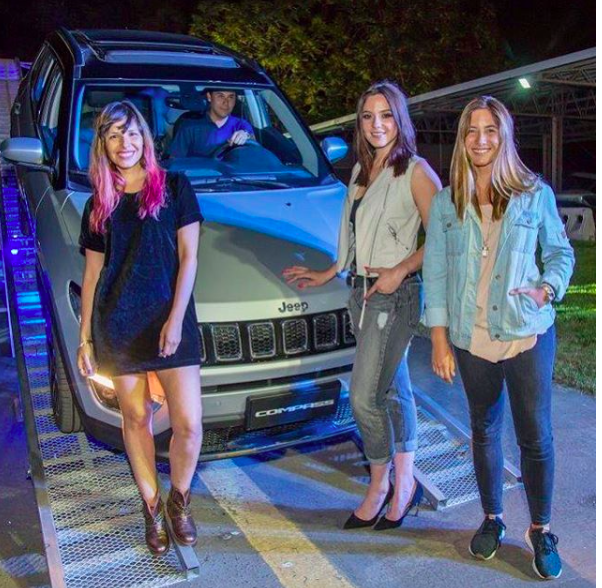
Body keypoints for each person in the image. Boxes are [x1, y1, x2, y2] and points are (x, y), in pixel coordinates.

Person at [423, 96, 574, 579]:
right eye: (472, 130)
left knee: (535, 435)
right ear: (462, 139)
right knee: (484, 430)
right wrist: (440, 339)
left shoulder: (534, 194)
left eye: (490, 130)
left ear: (504, 136)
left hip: (526, 332)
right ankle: (492, 518)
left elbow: (561, 254)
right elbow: (436, 272)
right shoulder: (447, 202)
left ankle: (541, 529)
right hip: (472, 338)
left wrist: (547, 288)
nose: (481, 139)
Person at [282, 81, 441, 530]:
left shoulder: (416, 171)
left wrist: (400, 269)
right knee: (395, 389)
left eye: (386, 115)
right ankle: (405, 483)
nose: (377, 124)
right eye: (368, 116)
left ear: (400, 119)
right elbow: (353, 232)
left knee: (364, 397)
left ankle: (379, 483)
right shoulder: (361, 170)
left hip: (395, 295)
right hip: (362, 293)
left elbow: (444, 236)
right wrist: (331, 271)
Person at [77, 101, 204, 555]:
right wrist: (85, 338)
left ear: (145, 137)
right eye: (113, 135)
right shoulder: (99, 203)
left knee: (189, 425)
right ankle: (151, 506)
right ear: (103, 144)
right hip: (119, 323)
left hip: (170, 320)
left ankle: (179, 501)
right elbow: (93, 275)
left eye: (131, 133)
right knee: (135, 418)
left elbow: (189, 257)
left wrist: (175, 318)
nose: (123, 143)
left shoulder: (175, 186)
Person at [168, 88, 254, 158]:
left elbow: (256, 151)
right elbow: (174, 163)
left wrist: (246, 135)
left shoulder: (242, 125)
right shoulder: (189, 127)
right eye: (220, 96)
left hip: (234, 174)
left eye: (231, 97)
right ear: (209, 97)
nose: (226, 102)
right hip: (199, 174)